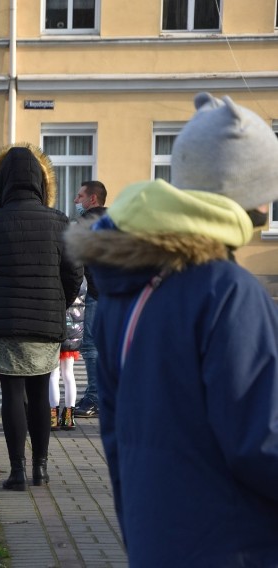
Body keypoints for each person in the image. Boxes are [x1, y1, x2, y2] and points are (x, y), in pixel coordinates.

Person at [66, 92, 278, 565]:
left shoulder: (131, 284)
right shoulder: (227, 291)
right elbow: (262, 442)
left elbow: (116, 438)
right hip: (236, 543)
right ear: (249, 194)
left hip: (158, 537)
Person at [0, 144, 83, 491]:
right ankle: (41, 470)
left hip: (4, 324)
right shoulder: (60, 222)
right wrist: (56, 303)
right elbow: (75, 274)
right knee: (40, 394)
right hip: (45, 323)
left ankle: (16, 472)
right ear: (42, 183)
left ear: (0, 183)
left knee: (12, 394)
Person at [72, 180, 108, 419]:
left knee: (91, 346)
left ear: (92, 199)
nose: (76, 201)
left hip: (95, 292)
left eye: (80, 196)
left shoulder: (84, 223)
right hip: (119, 294)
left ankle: (95, 397)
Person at [49, 279, 86, 431]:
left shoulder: (56, 273)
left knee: (52, 374)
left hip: (55, 327)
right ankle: (69, 417)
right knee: (68, 374)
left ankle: (53, 416)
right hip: (74, 330)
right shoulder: (81, 277)